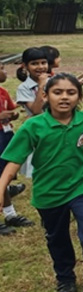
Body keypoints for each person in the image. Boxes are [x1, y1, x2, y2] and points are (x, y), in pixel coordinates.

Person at [0, 73, 83, 292]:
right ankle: (65, 277)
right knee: (57, 237)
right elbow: (13, 162)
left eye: (71, 93)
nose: (64, 97)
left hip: (82, 186)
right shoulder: (33, 126)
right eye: (57, 92)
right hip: (49, 192)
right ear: (45, 95)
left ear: (79, 96)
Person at [0, 62, 32, 235]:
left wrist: (13, 114)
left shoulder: (3, 92)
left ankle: (10, 214)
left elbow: (13, 109)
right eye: (1, 69)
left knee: (3, 174)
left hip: (5, 136)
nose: (5, 72)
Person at [16, 47, 49, 118]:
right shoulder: (24, 88)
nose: (40, 67)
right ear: (25, 66)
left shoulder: (53, 82)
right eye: (34, 64)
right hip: (38, 126)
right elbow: (36, 111)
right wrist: (41, 86)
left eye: (43, 63)